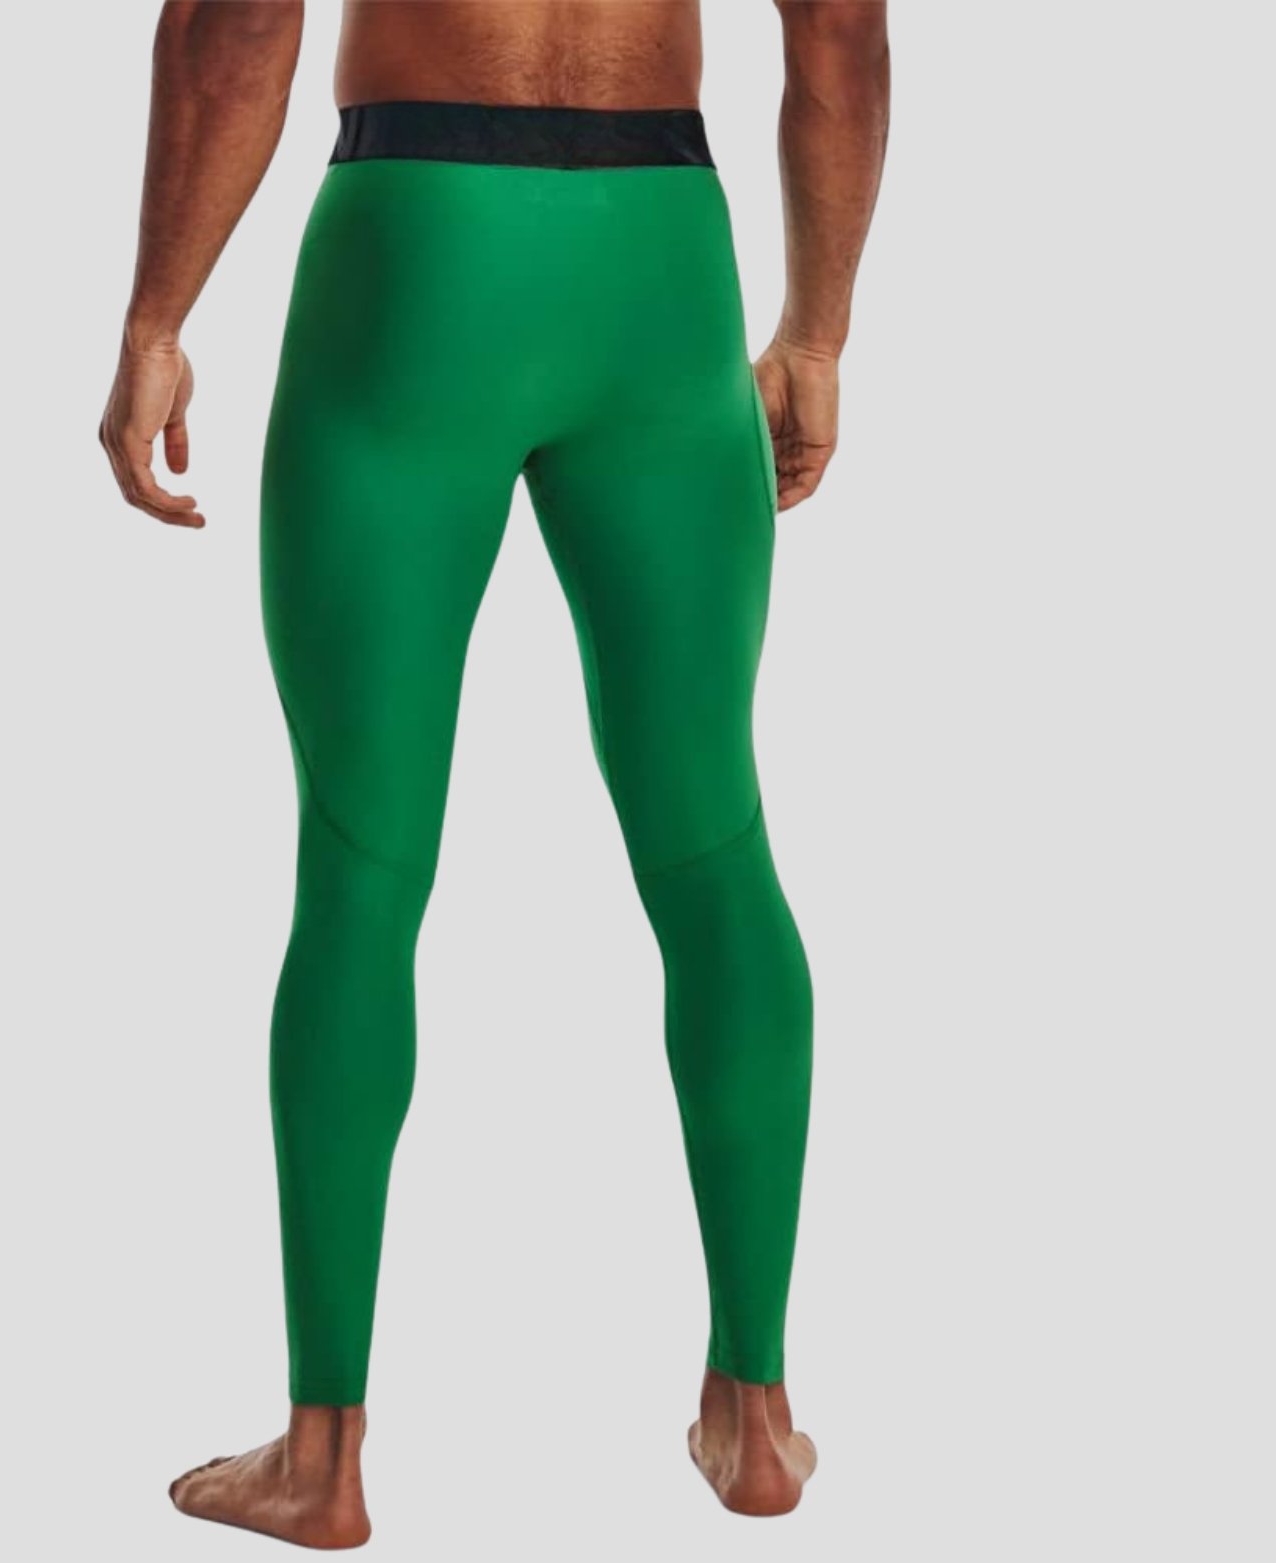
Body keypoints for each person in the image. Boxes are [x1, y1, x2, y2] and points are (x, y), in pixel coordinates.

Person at [99, 0, 888, 1547]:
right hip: (662, 255)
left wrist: (155, 320)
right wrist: (815, 336)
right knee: (713, 843)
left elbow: (239, 19)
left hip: (421, 246)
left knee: (363, 861)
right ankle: (756, 1412)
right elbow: (841, 32)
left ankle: (323, 1457)